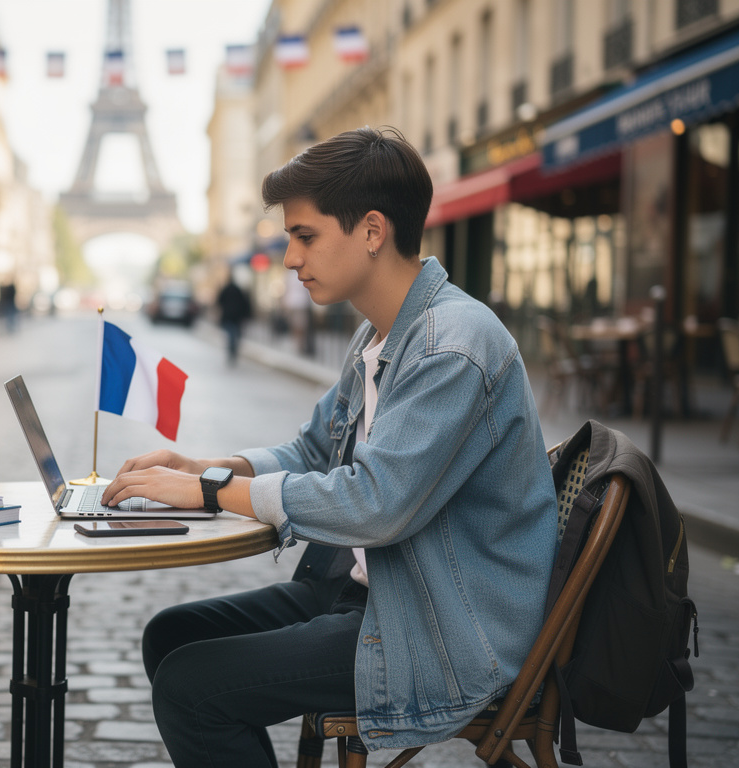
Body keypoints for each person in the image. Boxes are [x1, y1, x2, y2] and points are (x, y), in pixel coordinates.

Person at [100, 127, 558, 766]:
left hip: (435, 628)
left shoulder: (451, 346)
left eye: (305, 236)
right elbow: (315, 451)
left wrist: (210, 493)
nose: (290, 258)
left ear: (372, 231)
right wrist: (207, 467)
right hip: (370, 591)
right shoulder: (379, 335)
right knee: (170, 635)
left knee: (190, 688)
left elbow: (375, 504)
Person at [216, 273, 252, 365]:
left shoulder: (226, 289)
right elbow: (244, 303)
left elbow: (219, 301)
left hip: (229, 316)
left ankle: (232, 350)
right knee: (234, 335)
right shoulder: (238, 290)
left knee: (230, 335)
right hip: (236, 317)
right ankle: (233, 350)